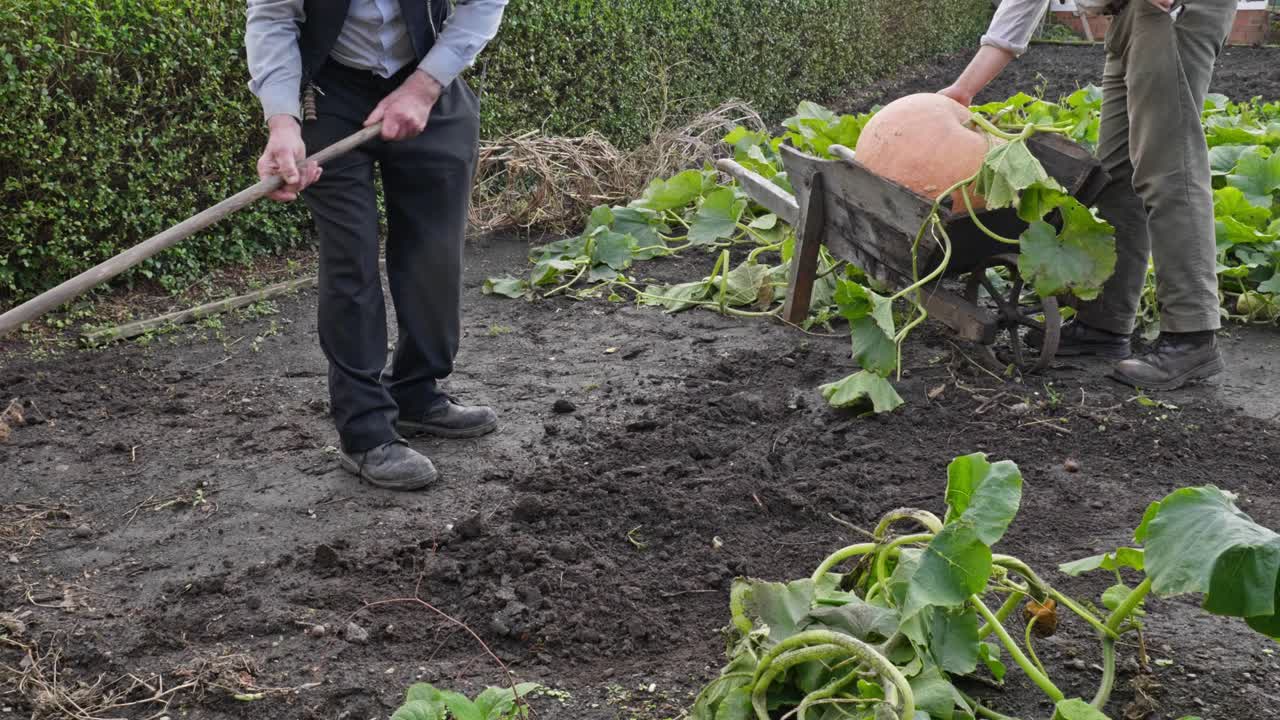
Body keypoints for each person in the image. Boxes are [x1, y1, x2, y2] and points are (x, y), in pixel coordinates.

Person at [245, 0, 509, 490]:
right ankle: (365, 431)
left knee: (434, 255)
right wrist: (282, 123)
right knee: (351, 262)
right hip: (329, 95)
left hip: (428, 73)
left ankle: (415, 392)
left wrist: (425, 86)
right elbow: (274, 16)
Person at [940, 0, 1237, 390]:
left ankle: (1192, 336)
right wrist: (964, 89)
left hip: (1171, 14)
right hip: (1129, 15)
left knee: (1168, 168)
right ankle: (1104, 325)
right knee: (1116, 176)